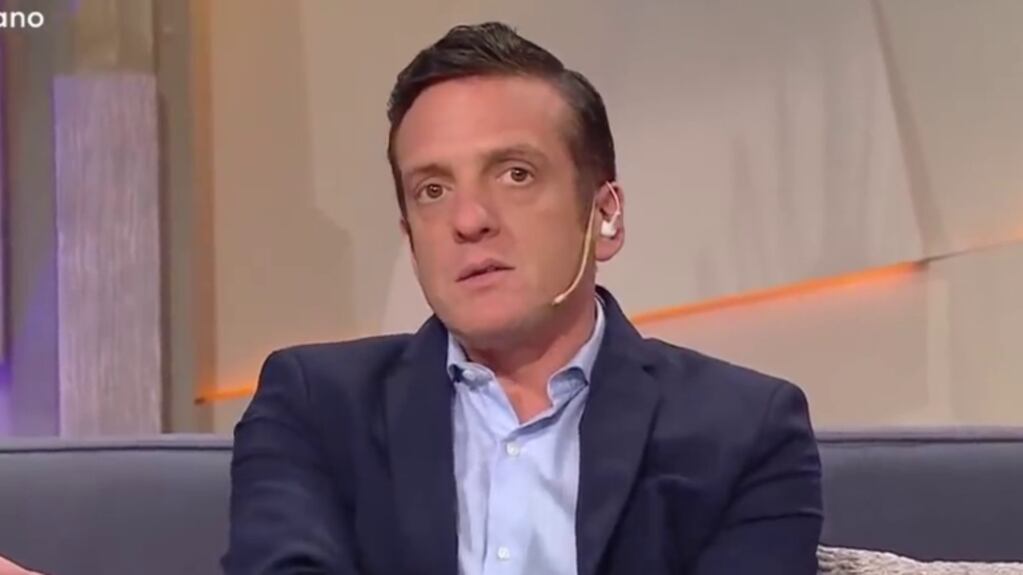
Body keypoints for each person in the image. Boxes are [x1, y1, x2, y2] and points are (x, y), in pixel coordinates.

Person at [223, 21, 822, 575]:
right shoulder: (314, 407)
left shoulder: (745, 431)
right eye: (432, 189)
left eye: (515, 174)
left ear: (604, 214)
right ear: (410, 238)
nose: (469, 220)